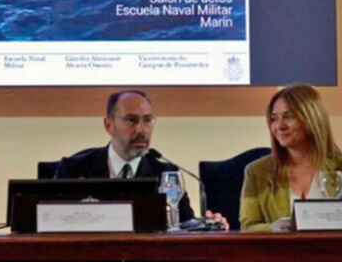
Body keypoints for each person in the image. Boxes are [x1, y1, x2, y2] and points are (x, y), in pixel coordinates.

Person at [54, 90, 228, 229]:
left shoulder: (166, 174)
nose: (142, 130)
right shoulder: (74, 169)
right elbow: (50, 221)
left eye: (147, 120)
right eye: (131, 120)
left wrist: (209, 225)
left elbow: (184, 226)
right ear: (109, 125)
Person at [240, 83, 342, 232]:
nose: (279, 126)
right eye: (274, 118)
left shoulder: (339, 167)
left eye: (288, 116)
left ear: (311, 118)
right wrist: (275, 228)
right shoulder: (256, 172)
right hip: (279, 253)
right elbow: (247, 227)